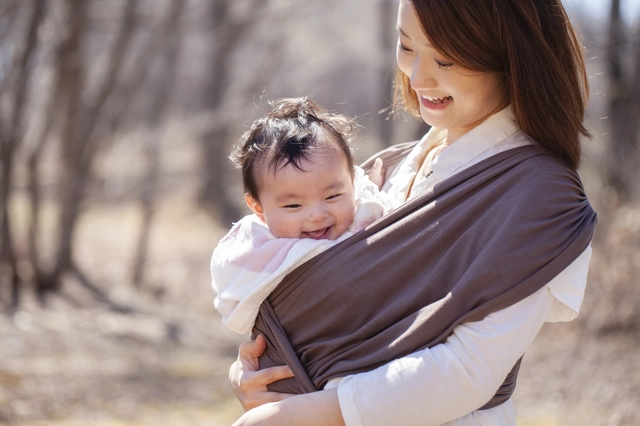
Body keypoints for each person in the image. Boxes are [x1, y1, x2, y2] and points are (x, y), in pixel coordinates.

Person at [228, 0, 597, 425]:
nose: (418, 76)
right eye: (406, 47)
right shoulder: (391, 167)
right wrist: (253, 371)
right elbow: (312, 296)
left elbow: (469, 370)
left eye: (446, 57)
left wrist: (307, 413)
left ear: (511, 56)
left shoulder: (539, 198)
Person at [211, 97, 391, 335]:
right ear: (258, 208)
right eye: (294, 205)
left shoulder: (362, 215)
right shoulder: (256, 253)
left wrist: (370, 191)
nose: (317, 215)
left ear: (352, 185)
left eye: (332, 196)